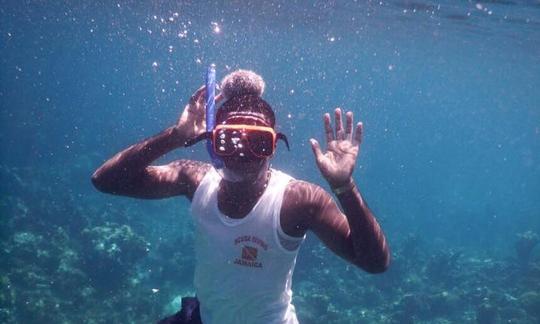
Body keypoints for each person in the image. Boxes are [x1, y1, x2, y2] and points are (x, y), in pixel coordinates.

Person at [91, 70, 390, 324]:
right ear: (212, 143)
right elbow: (105, 181)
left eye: (258, 142)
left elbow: (375, 263)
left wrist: (344, 186)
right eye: (229, 141)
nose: (242, 155)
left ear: (273, 147)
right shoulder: (194, 180)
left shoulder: (297, 201)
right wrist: (175, 136)